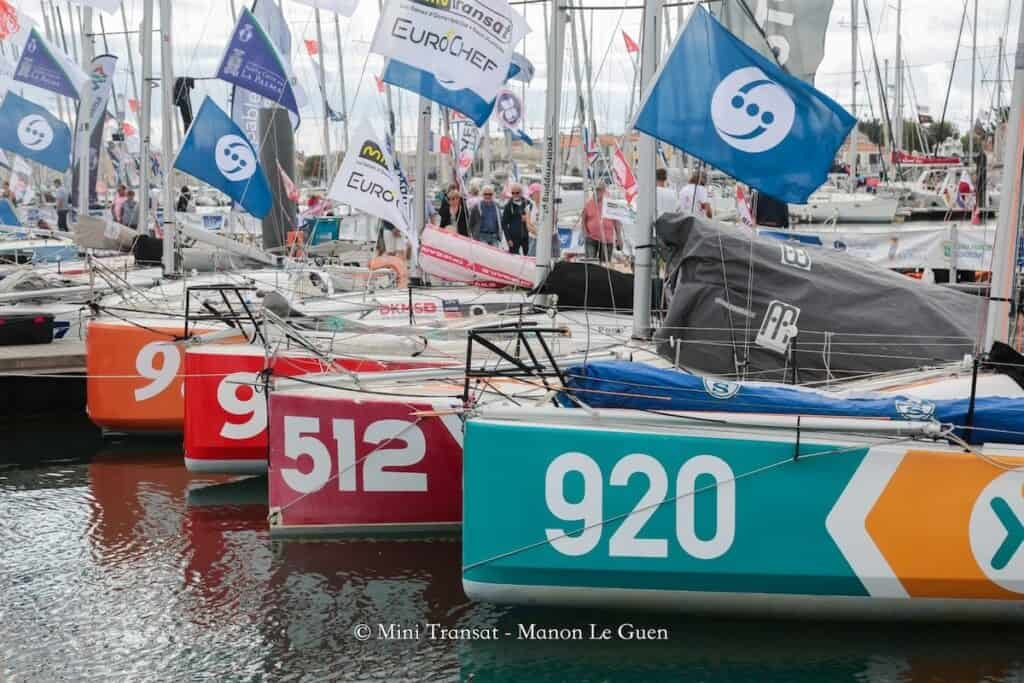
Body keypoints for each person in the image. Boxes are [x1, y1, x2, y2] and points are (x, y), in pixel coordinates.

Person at [581, 181, 621, 262]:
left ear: (604, 191)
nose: (596, 192)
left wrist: (619, 237)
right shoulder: (588, 204)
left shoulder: (610, 203)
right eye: (595, 190)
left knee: (604, 267)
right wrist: (585, 234)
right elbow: (583, 220)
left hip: (607, 239)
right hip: (591, 238)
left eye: (599, 190)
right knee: (590, 264)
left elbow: (616, 222)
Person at [501, 183, 531, 255]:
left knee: (528, 257)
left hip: (527, 237)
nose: (515, 195)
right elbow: (504, 224)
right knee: (513, 259)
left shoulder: (528, 203)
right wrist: (508, 239)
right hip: (514, 237)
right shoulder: (508, 206)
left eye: (517, 193)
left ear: (521, 193)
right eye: (513, 193)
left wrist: (527, 218)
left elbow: (535, 217)